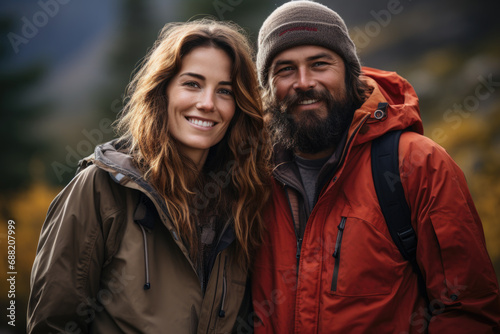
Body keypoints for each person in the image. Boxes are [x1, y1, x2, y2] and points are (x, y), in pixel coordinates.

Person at [251, 1, 500, 333]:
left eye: (320, 64)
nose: (304, 82)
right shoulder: (248, 180)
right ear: (267, 88)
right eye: (284, 70)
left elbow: (469, 312)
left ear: (351, 73)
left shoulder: (420, 165)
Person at [27, 19, 270, 333]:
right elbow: (52, 324)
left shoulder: (242, 202)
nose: (207, 103)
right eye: (192, 84)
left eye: (224, 91)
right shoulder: (100, 189)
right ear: (163, 90)